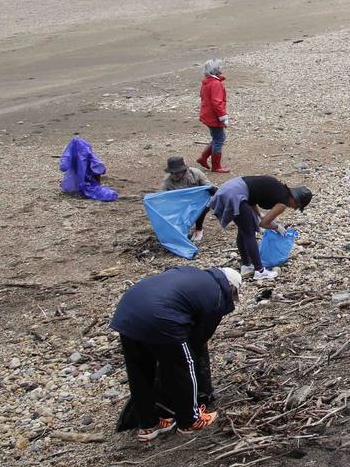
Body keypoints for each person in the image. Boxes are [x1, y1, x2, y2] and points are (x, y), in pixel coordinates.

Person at [110, 266, 240, 441]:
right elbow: (198, 339)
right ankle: (190, 420)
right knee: (185, 365)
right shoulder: (217, 294)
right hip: (160, 317)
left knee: (139, 371)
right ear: (231, 287)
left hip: (127, 313)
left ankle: (148, 425)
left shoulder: (192, 273)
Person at [207, 175, 312, 280]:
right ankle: (260, 271)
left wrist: (259, 214)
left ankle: (246, 266)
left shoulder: (279, 189)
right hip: (236, 194)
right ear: (294, 198)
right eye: (297, 206)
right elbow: (264, 224)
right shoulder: (283, 203)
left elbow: (253, 198)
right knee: (249, 232)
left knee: (243, 229)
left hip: (230, 188)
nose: (294, 208)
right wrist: (277, 227)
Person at [197, 60, 230, 174]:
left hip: (207, 115)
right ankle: (216, 166)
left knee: (217, 138)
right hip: (213, 117)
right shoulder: (216, 83)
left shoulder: (206, 82)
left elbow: (203, 97)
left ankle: (203, 158)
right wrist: (223, 117)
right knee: (219, 139)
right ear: (216, 70)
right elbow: (217, 103)